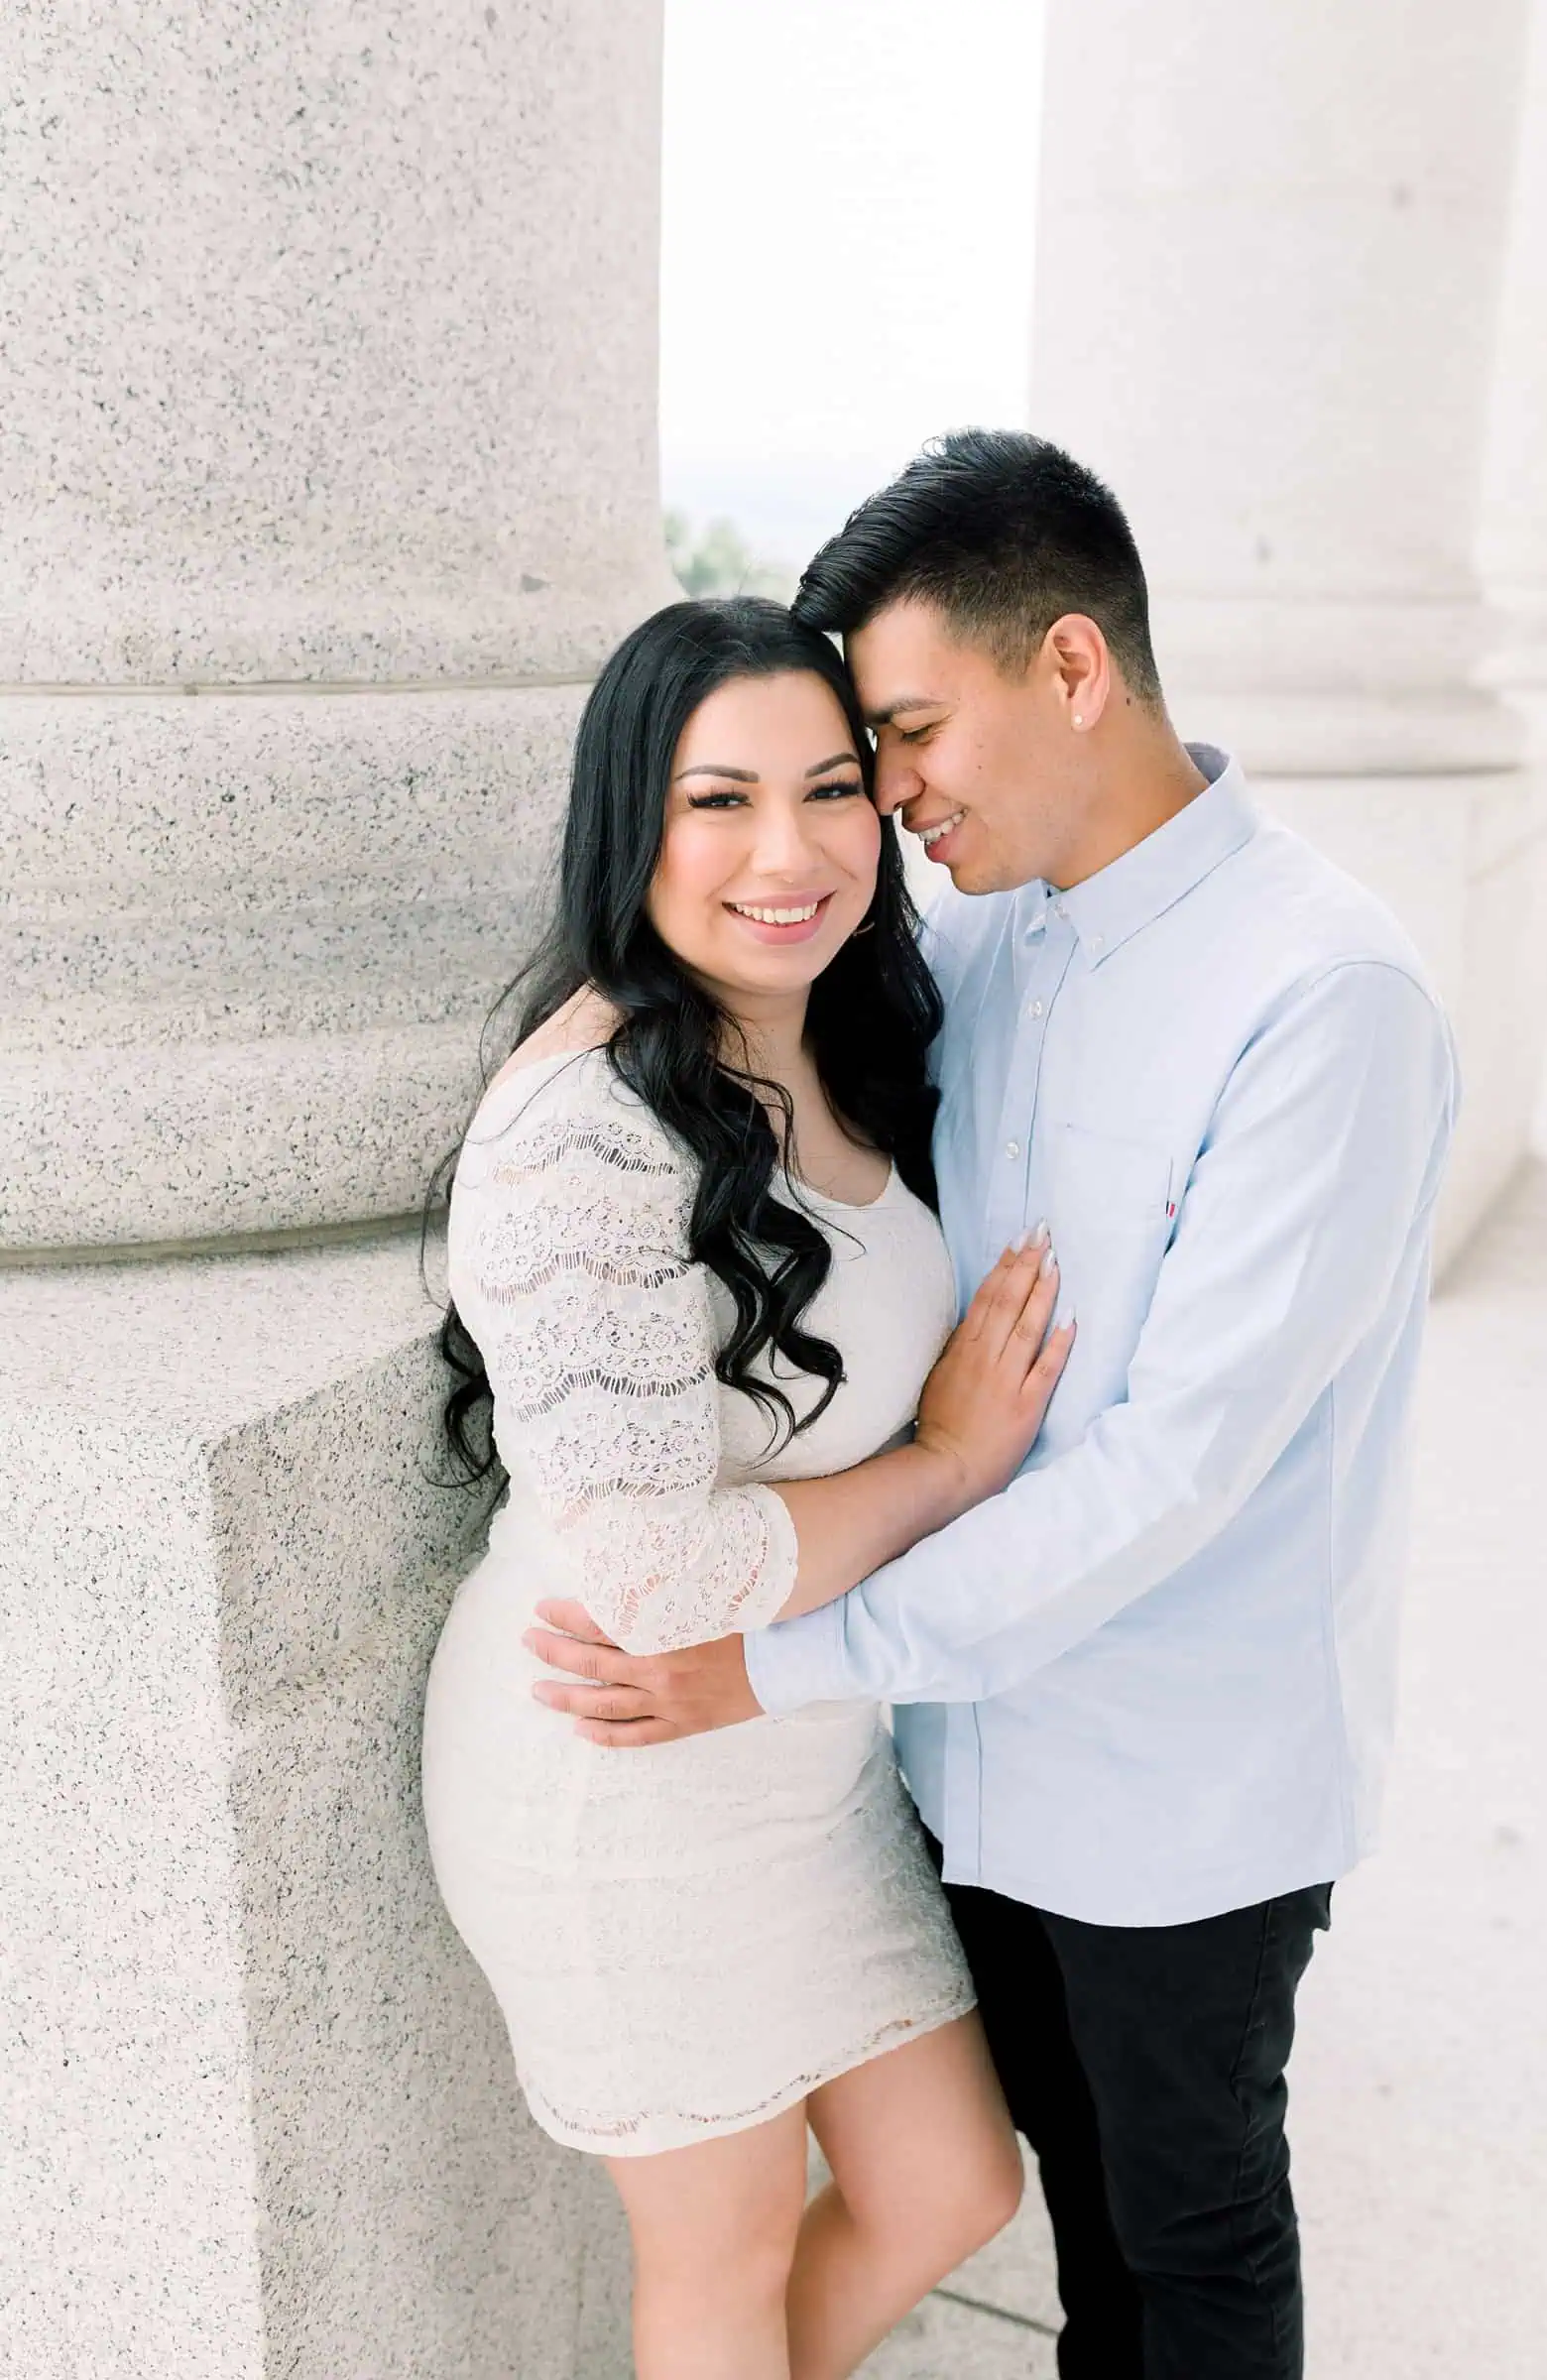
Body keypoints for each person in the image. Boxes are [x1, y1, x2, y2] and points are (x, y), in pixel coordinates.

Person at [528, 430, 1463, 2380]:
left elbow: (1167, 1475)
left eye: (903, 732)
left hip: (1170, 1794)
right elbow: (755, 973)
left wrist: (771, 1663)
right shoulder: (980, 937)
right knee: (1071, 2244)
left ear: (1067, 666)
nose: (888, 798)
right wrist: (597, 1008)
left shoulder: (1321, 996)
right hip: (960, 1761)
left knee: (1183, 2254)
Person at [420, 595, 1079, 2380]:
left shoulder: (836, 1029)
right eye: (718, 802)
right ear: (631, 820)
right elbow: (651, 1577)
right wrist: (949, 1465)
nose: (786, 854)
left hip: (803, 1744)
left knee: (949, 2184)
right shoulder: (581, 1130)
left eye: (830, 789)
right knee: (709, 2278)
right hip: (619, 1761)